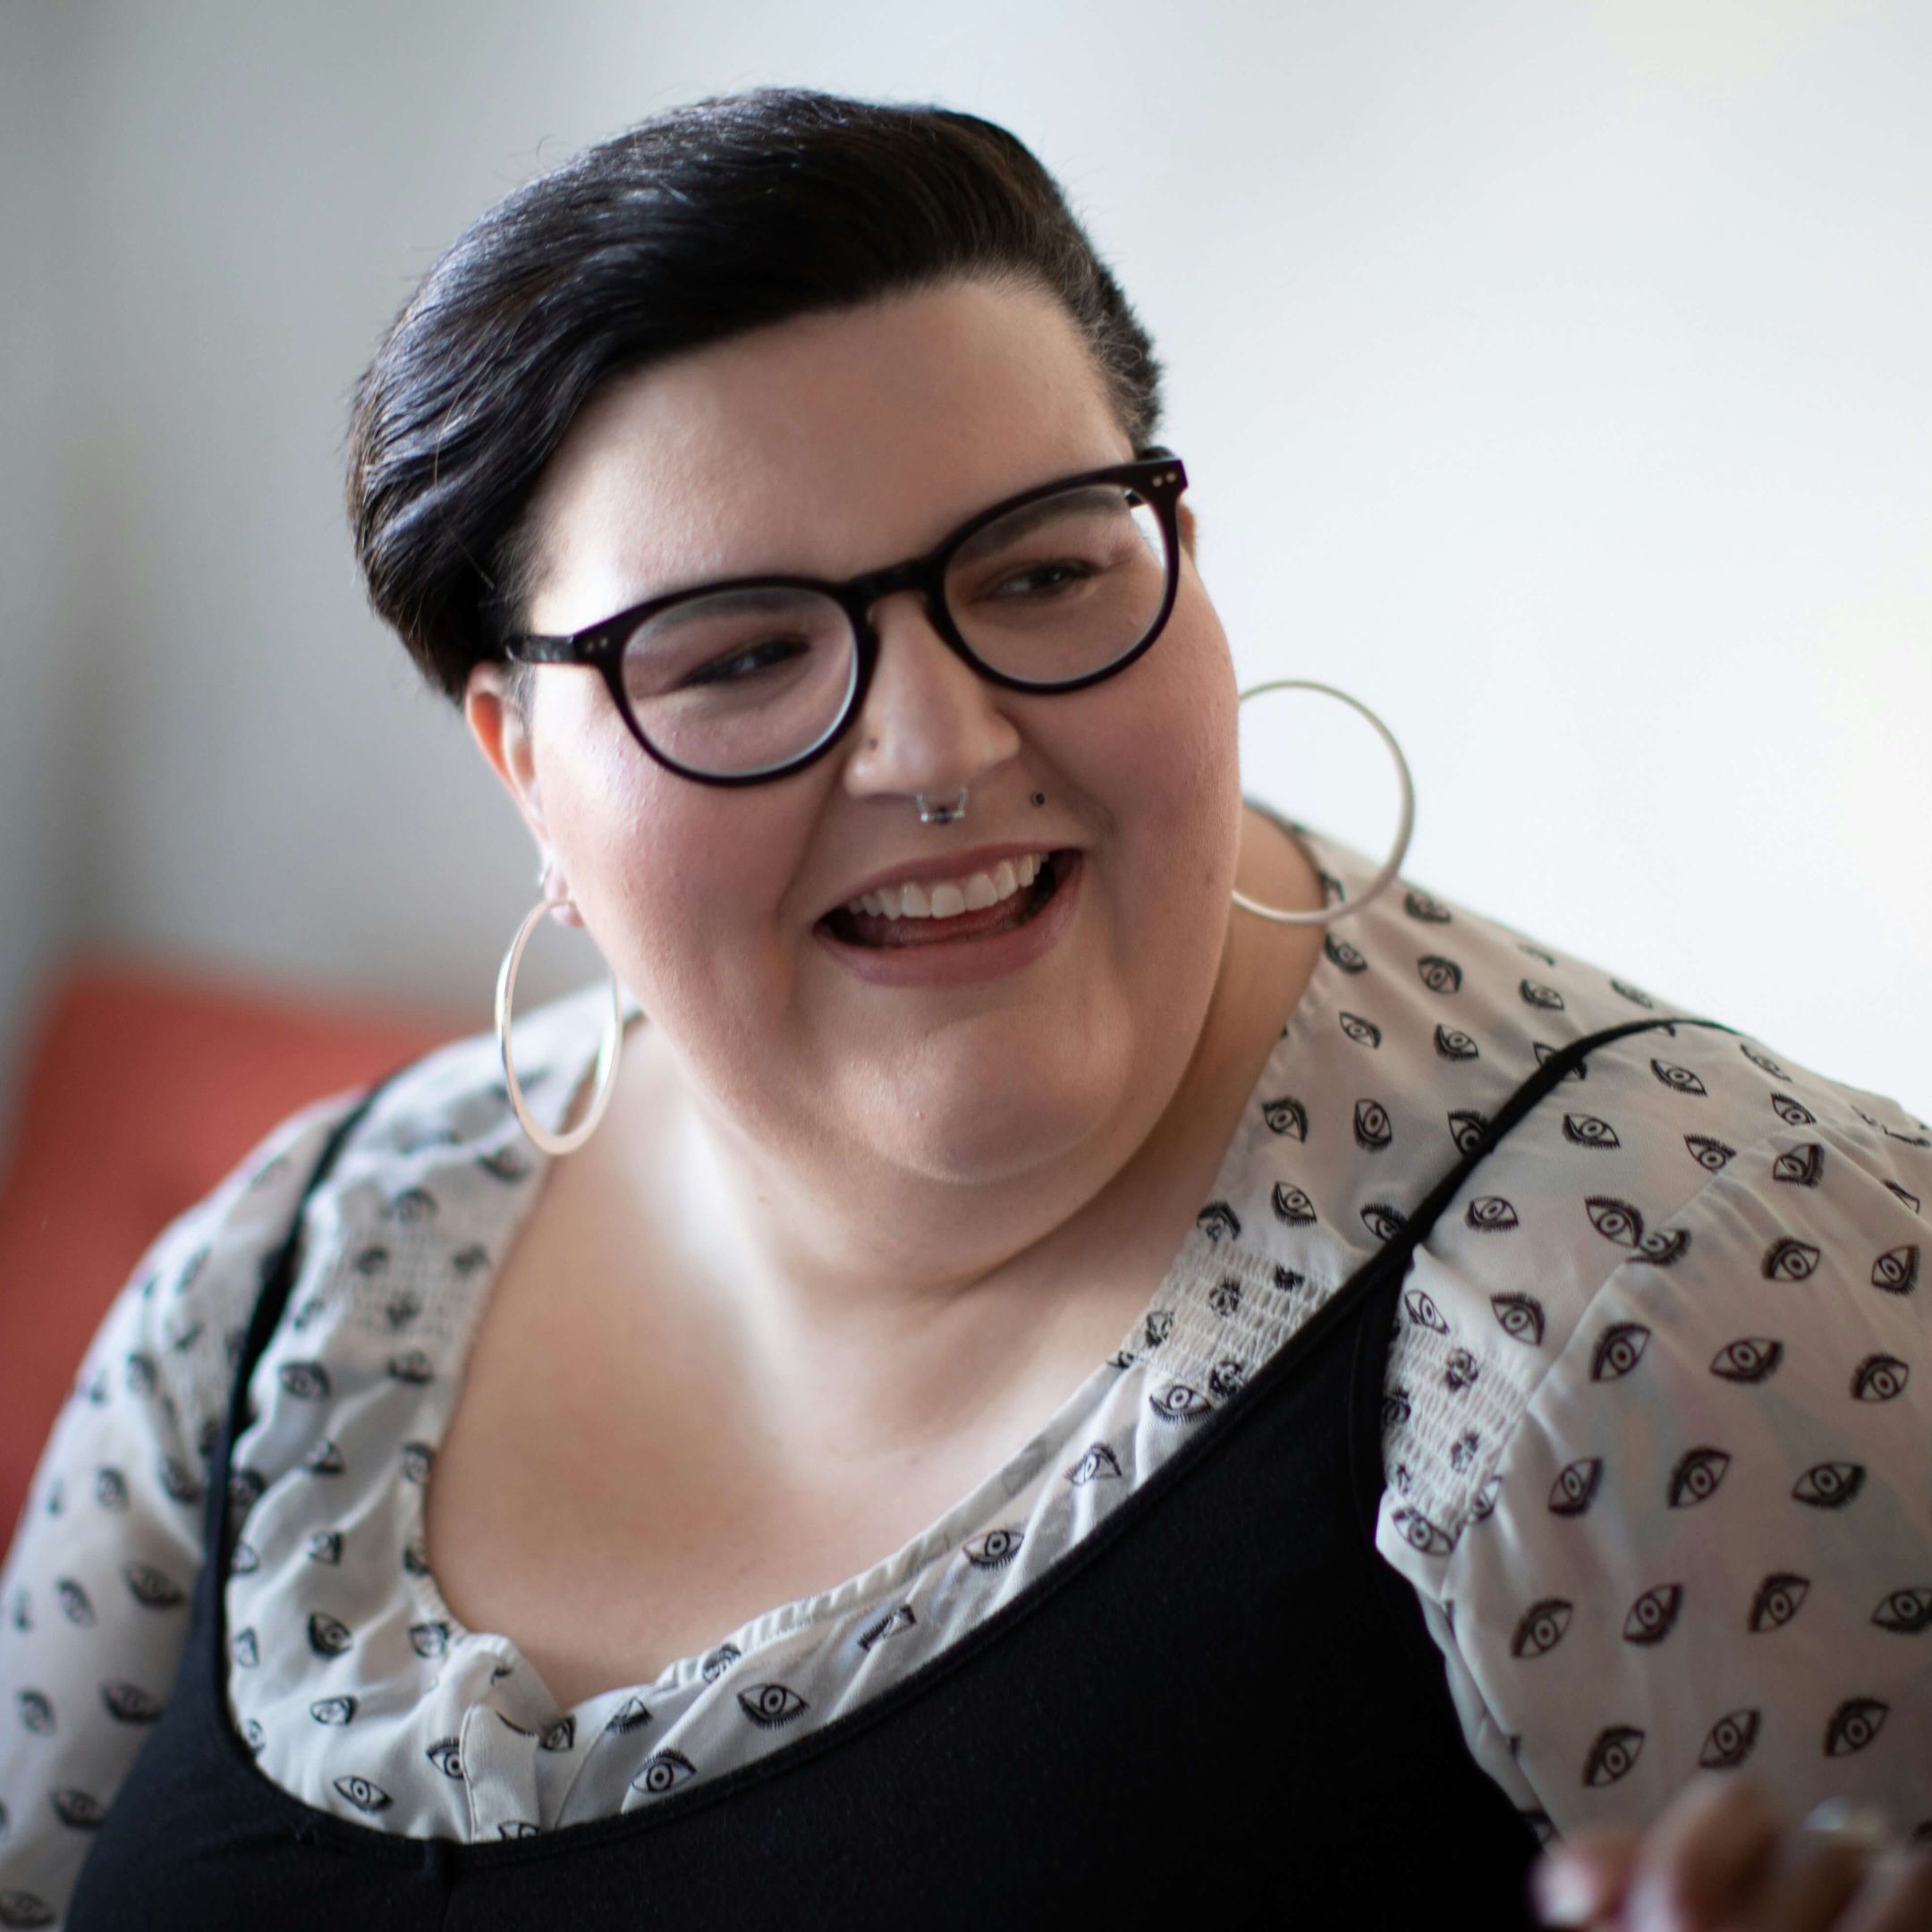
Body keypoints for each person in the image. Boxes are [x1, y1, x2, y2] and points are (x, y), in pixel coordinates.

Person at [1, 88, 1927, 1930]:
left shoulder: (1660, 1295)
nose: (941, 743)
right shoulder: (280, 1293)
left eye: (1043, 571)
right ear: (523, 771)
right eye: (744, 653)